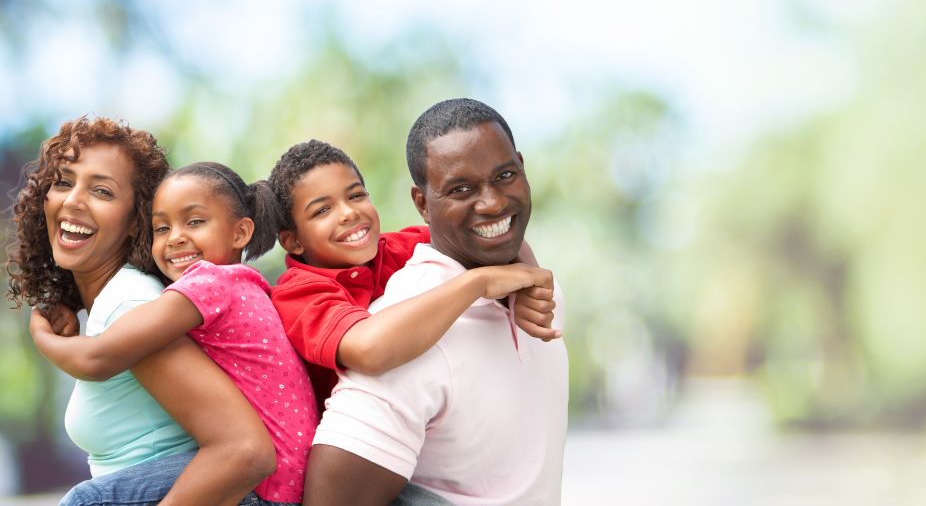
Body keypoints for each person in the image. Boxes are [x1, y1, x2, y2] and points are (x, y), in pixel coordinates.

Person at [304, 99, 569, 505]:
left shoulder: (533, 288)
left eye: (504, 175)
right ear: (423, 203)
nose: (493, 202)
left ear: (522, 166)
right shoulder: (412, 333)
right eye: (460, 189)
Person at [6, 117, 276, 505]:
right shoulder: (118, 302)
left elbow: (246, 451)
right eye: (63, 182)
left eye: (101, 190)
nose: (73, 200)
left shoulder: (131, 304)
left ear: (136, 222)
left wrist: (42, 335)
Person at [268, 140, 559, 408]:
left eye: (356, 195)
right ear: (293, 241)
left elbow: (491, 234)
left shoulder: (399, 247)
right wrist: (477, 283)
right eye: (322, 211)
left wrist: (525, 285)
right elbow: (369, 351)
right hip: (360, 446)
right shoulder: (299, 294)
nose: (348, 213)